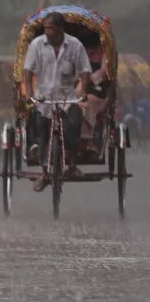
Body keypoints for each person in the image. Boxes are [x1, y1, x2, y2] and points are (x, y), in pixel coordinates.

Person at [23, 12, 91, 192]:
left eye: (51, 28)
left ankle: (72, 165)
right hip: (44, 97)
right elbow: (28, 71)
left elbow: (85, 70)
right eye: (45, 28)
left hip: (68, 97)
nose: (47, 31)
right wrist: (29, 93)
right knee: (42, 132)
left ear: (61, 28)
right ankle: (44, 173)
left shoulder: (75, 45)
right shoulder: (37, 45)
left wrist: (83, 90)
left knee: (74, 124)